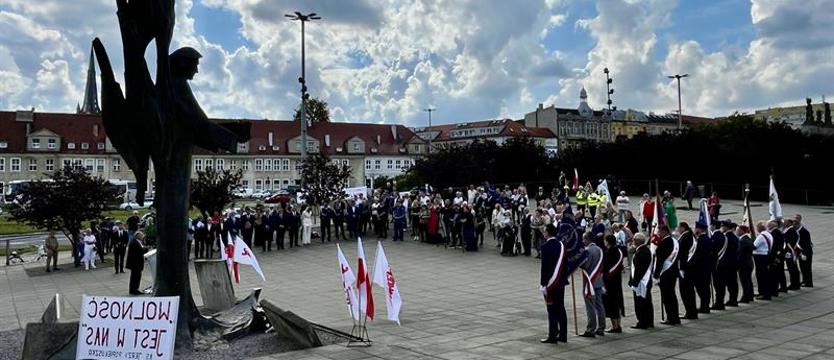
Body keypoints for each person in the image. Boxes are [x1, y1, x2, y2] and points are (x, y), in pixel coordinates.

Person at [539, 224, 568, 344]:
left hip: (551, 283)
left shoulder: (546, 246)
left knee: (551, 309)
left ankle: (552, 335)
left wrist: (543, 284)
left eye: (545, 231)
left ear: (548, 233)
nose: (543, 233)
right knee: (561, 308)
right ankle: (563, 335)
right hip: (560, 281)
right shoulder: (562, 245)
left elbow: (544, 267)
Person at [579, 232, 606, 337]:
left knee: (590, 306)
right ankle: (601, 328)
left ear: (588, 239)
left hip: (590, 281)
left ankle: (591, 329)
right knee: (599, 305)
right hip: (598, 280)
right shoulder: (599, 249)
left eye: (583, 239)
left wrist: (578, 262)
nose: (582, 241)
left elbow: (586, 265)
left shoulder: (589, 250)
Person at [653, 225, 680, 325]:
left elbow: (660, 260)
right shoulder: (674, 241)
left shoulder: (664, 242)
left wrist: (656, 275)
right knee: (672, 296)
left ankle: (671, 318)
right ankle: (675, 317)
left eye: (659, 231)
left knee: (667, 297)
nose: (658, 234)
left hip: (666, 273)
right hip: (673, 272)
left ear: (664, 231)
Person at [629, 233, 654, 329]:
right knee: (647, 302)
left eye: (634, 239)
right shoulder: (645, 250)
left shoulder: (641, 252)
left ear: (638, 241)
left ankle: (642, 322)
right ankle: (649, 321)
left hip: (641, 282)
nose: (633, 241)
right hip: (645, 281)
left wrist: (634, 282)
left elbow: (639, 269)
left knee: (640, 303)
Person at [602, 234, 626, 333]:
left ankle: (615, 326)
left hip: (609, 282)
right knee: (618, 302)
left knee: (611, 304)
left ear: (608, 242)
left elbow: (606, 268)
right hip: (617, 281)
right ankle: (618, 325)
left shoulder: (608, 253)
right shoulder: (619, 251)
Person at [676, 222, 698, 319]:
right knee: (689, 291)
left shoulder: (685, 237)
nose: (677, 229)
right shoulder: (689, 236)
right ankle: (691, 311)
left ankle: (690, 312)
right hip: (690, 268)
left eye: (679, 227)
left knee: (686, 292)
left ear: (683, 227)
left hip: (685, 268)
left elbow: (681, 252)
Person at [691, 221, 713, 313]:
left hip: (700, 268)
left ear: (699, 229)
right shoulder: (708, 239)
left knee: (701, 288)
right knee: (705, 288)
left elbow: (696, 254)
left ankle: (704, 306)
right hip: (707, 267)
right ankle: (705, 306)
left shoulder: (700, 240)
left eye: (696, 228)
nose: (695, 229)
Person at [721, 221, 740, 307]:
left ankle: (732, 300)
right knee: (733, 283)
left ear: (726, 227)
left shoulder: (726, 237)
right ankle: (733, 299)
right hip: (734, 263)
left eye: (723, 226)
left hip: (727, 264)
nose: (722, 228)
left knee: (729, 283)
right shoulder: (735, 237)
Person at [767, 220, 787, 296]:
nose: (767, 226)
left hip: (776, 257)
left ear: (772, 226)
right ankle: (782, 287)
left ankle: (774, 290)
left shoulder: (775, 233)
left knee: (774, 274)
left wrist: (774, 257)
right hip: (779, 256)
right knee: (780, 273)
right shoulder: (777, 232)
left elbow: (775, 247)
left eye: (768, 225)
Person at [753, 222, 772, 300]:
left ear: (760, 228)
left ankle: (763, 293)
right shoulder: (768, 234)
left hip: (760, 257)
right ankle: (764, 292)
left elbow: (754, 246)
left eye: (757, 227)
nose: (756, 229)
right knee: (764, 275)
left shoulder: (761, 236)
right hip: (765, 255)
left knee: (761, 275)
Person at [737, 225, 755, 303]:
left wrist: (737, 264)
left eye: (738, 230)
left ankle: (746, 297)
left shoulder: (743, 241)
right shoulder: (748, 239)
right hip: (749, 262)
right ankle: (750, 296)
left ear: (742, 231)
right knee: (748, 281)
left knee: (745, 281)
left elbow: (740, 254)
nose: (737, 232)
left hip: (744, 264)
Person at [126, 231, 148, 295]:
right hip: (135, 263)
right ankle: (134, 289)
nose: (142, 237)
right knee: (135, 277)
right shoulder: (134, 243)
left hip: (137, 263)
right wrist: (145, 248)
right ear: (138, 236)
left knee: (136, 277)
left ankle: (134, 289)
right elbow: (138, 252)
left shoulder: (138, 242)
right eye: (141, 236)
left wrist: (144, 248)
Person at [783, 218, 801, 290]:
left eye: (785, 222)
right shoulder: (789, 230)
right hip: (790, 252)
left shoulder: (791, 231)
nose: (784, 223)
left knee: (792, 269)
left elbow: (790, 242)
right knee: (792, 269)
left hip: (790, 253)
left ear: (790, 223)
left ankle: (795, 284)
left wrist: (790, 252)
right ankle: (795, 284)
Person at [795, 214, 813, 287]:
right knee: (803, 268)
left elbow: (806, 244)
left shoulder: (804, 231)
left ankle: (808, 283)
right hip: (801, 252)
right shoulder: (799, 231)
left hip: (805, 253)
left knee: (807, 268)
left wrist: (804, 254)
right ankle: (805, 281)